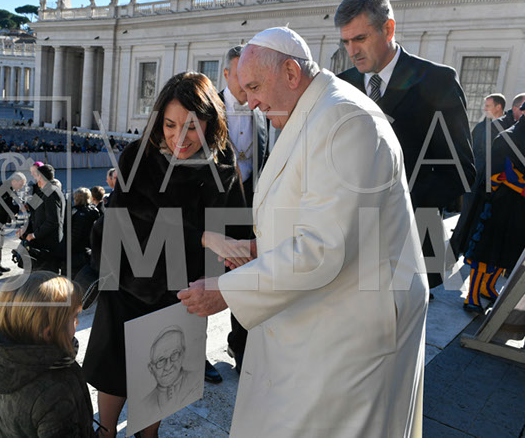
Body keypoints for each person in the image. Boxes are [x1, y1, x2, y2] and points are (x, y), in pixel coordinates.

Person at [178, 27, 428, 437]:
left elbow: (324, 246)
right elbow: (323, 217)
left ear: (291, 73)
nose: (251, 102)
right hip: (328, 311)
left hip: (353, 330)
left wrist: (227, 290)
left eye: (255, 87)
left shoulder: (345, 122)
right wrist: (260, 247)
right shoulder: (316, 111)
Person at [82, 72, 246, 438]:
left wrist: (218, 278)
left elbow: (233, 230)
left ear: (210, 122)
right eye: (170, 125)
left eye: (191, 127)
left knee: (159, 388)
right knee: (114, 376)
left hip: (181, 293)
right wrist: (201, 237)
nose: (178, 137)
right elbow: (121, 227)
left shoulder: (223, 163)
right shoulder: (137, 157)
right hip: (127, 286)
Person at [335, 0, 475, 292]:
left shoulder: (437, 81)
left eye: (360, 38)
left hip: (410, 244)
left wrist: (396, 203)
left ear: (388, 29)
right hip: (348, 245)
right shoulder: (342, 84)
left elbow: (461, 171)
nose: (352, 51)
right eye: (345, 42)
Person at [452, 95, 525, 313]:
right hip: (501, 205)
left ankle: (488, 287)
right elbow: (500, 172)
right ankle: (473, 294)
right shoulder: (508, 137)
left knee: (508, 250)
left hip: (524, 208)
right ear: (524, 111)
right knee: (487, 252)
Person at [0, 271, 96, 437]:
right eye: (74, 317)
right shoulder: (55, 391)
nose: (77, 322)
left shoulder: (13, 362)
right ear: (48, 332)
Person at [217, 44, 269, 376]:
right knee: (201, 281)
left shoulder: (261, 111)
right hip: (210, 212)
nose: (248, 81)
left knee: (246, 279)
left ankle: (241, 347)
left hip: (249, 212)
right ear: (225, 74)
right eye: (240, 74)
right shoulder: (205, 108)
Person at [140, 326, 201, 418]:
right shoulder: (145, 403)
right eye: (161, 360)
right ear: (151, 368)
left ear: (183, 354)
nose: (168, 366)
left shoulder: (196, 381)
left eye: (174, 354)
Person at [18, 164, 65, 273]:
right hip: (41, 242)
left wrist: (34, 235)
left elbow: (53, 221)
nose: (34, 178)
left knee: (45, 276)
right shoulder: (44, 190)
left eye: (35, 175)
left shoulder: (51, 192)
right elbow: (34, 210)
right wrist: (25, 230)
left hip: (48, 245)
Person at [65, 187, 101, 281]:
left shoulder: (76, 213)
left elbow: (75, 235)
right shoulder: (95, 211)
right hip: (91, 250)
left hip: (77, 252)